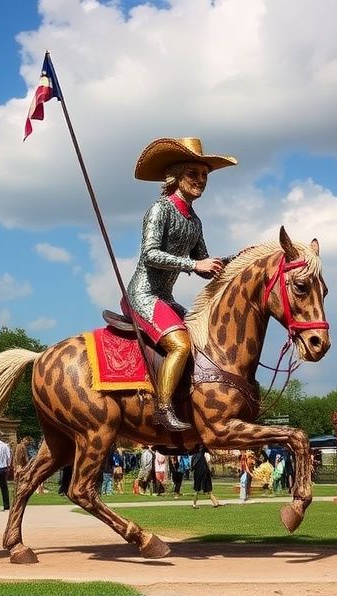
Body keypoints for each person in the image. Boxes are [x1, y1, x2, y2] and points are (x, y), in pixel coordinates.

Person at [123, 137, 238, 431]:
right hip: (144, 294)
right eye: (193, 174)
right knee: (180, 345)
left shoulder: (194, 220)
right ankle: (162, 409)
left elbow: (203, 262)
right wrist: (193, 264)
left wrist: (231, 262)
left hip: (166, 297)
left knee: (204, 340)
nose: (200, 180)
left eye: (204, 176)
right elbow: (149, 254)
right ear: (175, 177)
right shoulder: (160, 209)